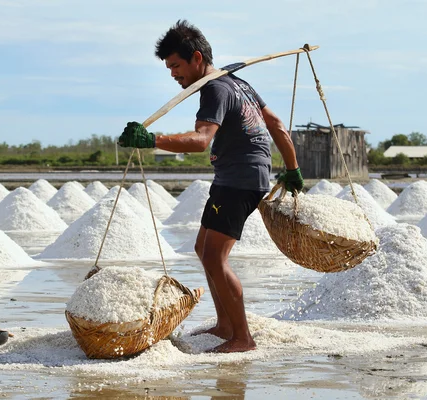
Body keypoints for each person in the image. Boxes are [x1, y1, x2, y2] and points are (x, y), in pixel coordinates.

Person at [118, 20, 304, 353]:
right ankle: (225, 325)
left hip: (240, 179)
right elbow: (276, 124)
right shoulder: (239, 84)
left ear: (197, 57)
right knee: (204, 249)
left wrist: (152, 140)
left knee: (216, 258)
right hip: (242, 176)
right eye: (169, 68)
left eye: (176, 65)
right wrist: (292, 168)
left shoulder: (214, 89)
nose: (173, 74)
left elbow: (201, 141)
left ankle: (243, 338)